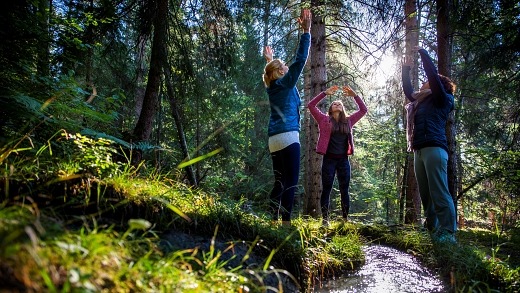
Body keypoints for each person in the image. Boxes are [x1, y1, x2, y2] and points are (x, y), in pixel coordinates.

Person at [402, 47, 457, 243]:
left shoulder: (444, 99)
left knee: (439, 191)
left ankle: (448, 232)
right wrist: (405, 70)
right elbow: (409, 91)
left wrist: (424, 55)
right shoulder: (421, 101)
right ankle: (432, 230)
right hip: (419, 149)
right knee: (426, 193)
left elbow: (433, 77)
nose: (423, 83)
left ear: (438, 85)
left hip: (435, 148)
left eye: (426, 82)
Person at [262, 9, 311, 226]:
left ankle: (273, 220)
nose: (286, 66)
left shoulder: (272, 86)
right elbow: (300, 60)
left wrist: (271, 61)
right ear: (280, 72)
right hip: (289, 137)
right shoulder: (285, 82)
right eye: (282, 66)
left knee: (279, 181)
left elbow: (270, 72)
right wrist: (306, 32)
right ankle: (286, 223)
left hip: (274, 140)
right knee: (291, 181)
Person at [307, 85, 368, 225]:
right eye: (334, 103)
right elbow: (311, 106)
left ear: (342, 108)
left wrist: (355, 96)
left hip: (343, 160)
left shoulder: (349, 121)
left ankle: (345, 220)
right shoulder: (324, 119)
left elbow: (364, 110)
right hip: (329, 159)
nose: (337, 104)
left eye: (339, 104)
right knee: (326, 189)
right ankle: (325, 220)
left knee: (344, 189)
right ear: (331, 108)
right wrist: (324, 93)